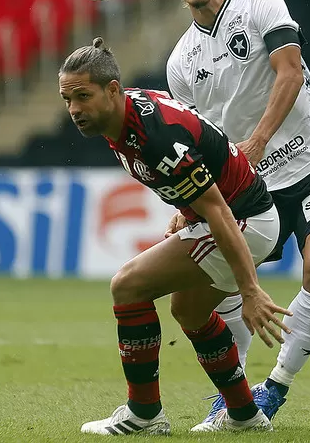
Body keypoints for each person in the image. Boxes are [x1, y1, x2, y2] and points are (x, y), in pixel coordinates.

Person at [164, 0, 310, 428]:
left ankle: (276, 387)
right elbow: (195, 145)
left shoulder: (260, 4)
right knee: (219, 290)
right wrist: (186, 208)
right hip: (251, 192)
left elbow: (289, 71)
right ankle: (233, 395)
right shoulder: (180, 63)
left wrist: (257, 142)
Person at [60, 37, 293, 435]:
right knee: (188, 311)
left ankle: (144, 415)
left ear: (113, 90)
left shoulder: (152, 137)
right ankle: (244, 415)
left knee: (128, 286)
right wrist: (186, 213)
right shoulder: (123, 118)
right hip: (240, 215)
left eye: (83, 96)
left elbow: (217, 208)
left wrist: (250, 290)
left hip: (243, 220)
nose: (74, 110)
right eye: (67, 100)